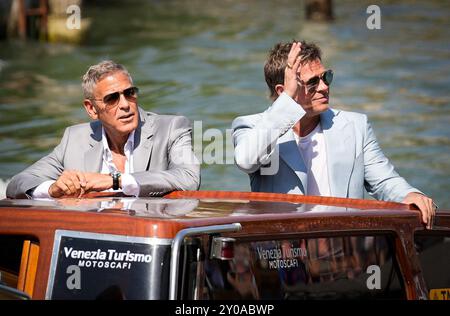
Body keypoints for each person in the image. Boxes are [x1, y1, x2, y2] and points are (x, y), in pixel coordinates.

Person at [231, 40, 435, 228]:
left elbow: (384, 181)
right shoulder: (252, 126)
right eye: (312, 82)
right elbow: (246, 160)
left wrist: (410, 194)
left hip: (343, 252)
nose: (324, 87)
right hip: (282, 256)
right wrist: (287, 101)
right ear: (283, 90)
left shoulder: (356, 126)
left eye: (326, 77)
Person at [6, 60, 200, 199]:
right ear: (91, 109)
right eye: (112, 98)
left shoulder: (172, 128)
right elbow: (18, 183)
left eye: (129, 93)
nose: (125, 104)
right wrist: (53, 189)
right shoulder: (74, 139)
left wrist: (114, 180)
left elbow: (189, 178)